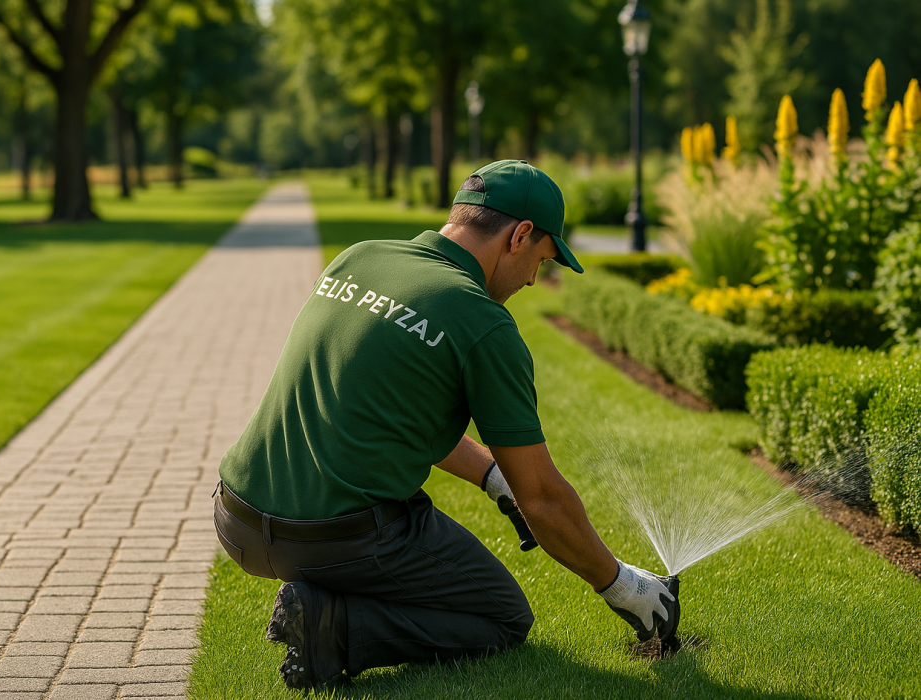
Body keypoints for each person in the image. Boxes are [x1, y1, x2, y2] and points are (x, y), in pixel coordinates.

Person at [214, 160, 679, 690]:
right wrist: (626, 588)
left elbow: (389, 411)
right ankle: (334, 624)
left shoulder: (359, 258)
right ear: (520, 235)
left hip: (237, 520)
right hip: (333, 540)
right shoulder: (483, 323)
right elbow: (545, 499)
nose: (532, 278)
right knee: (503, 617)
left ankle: (324, 601)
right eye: (542, 261)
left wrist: (493, 478)